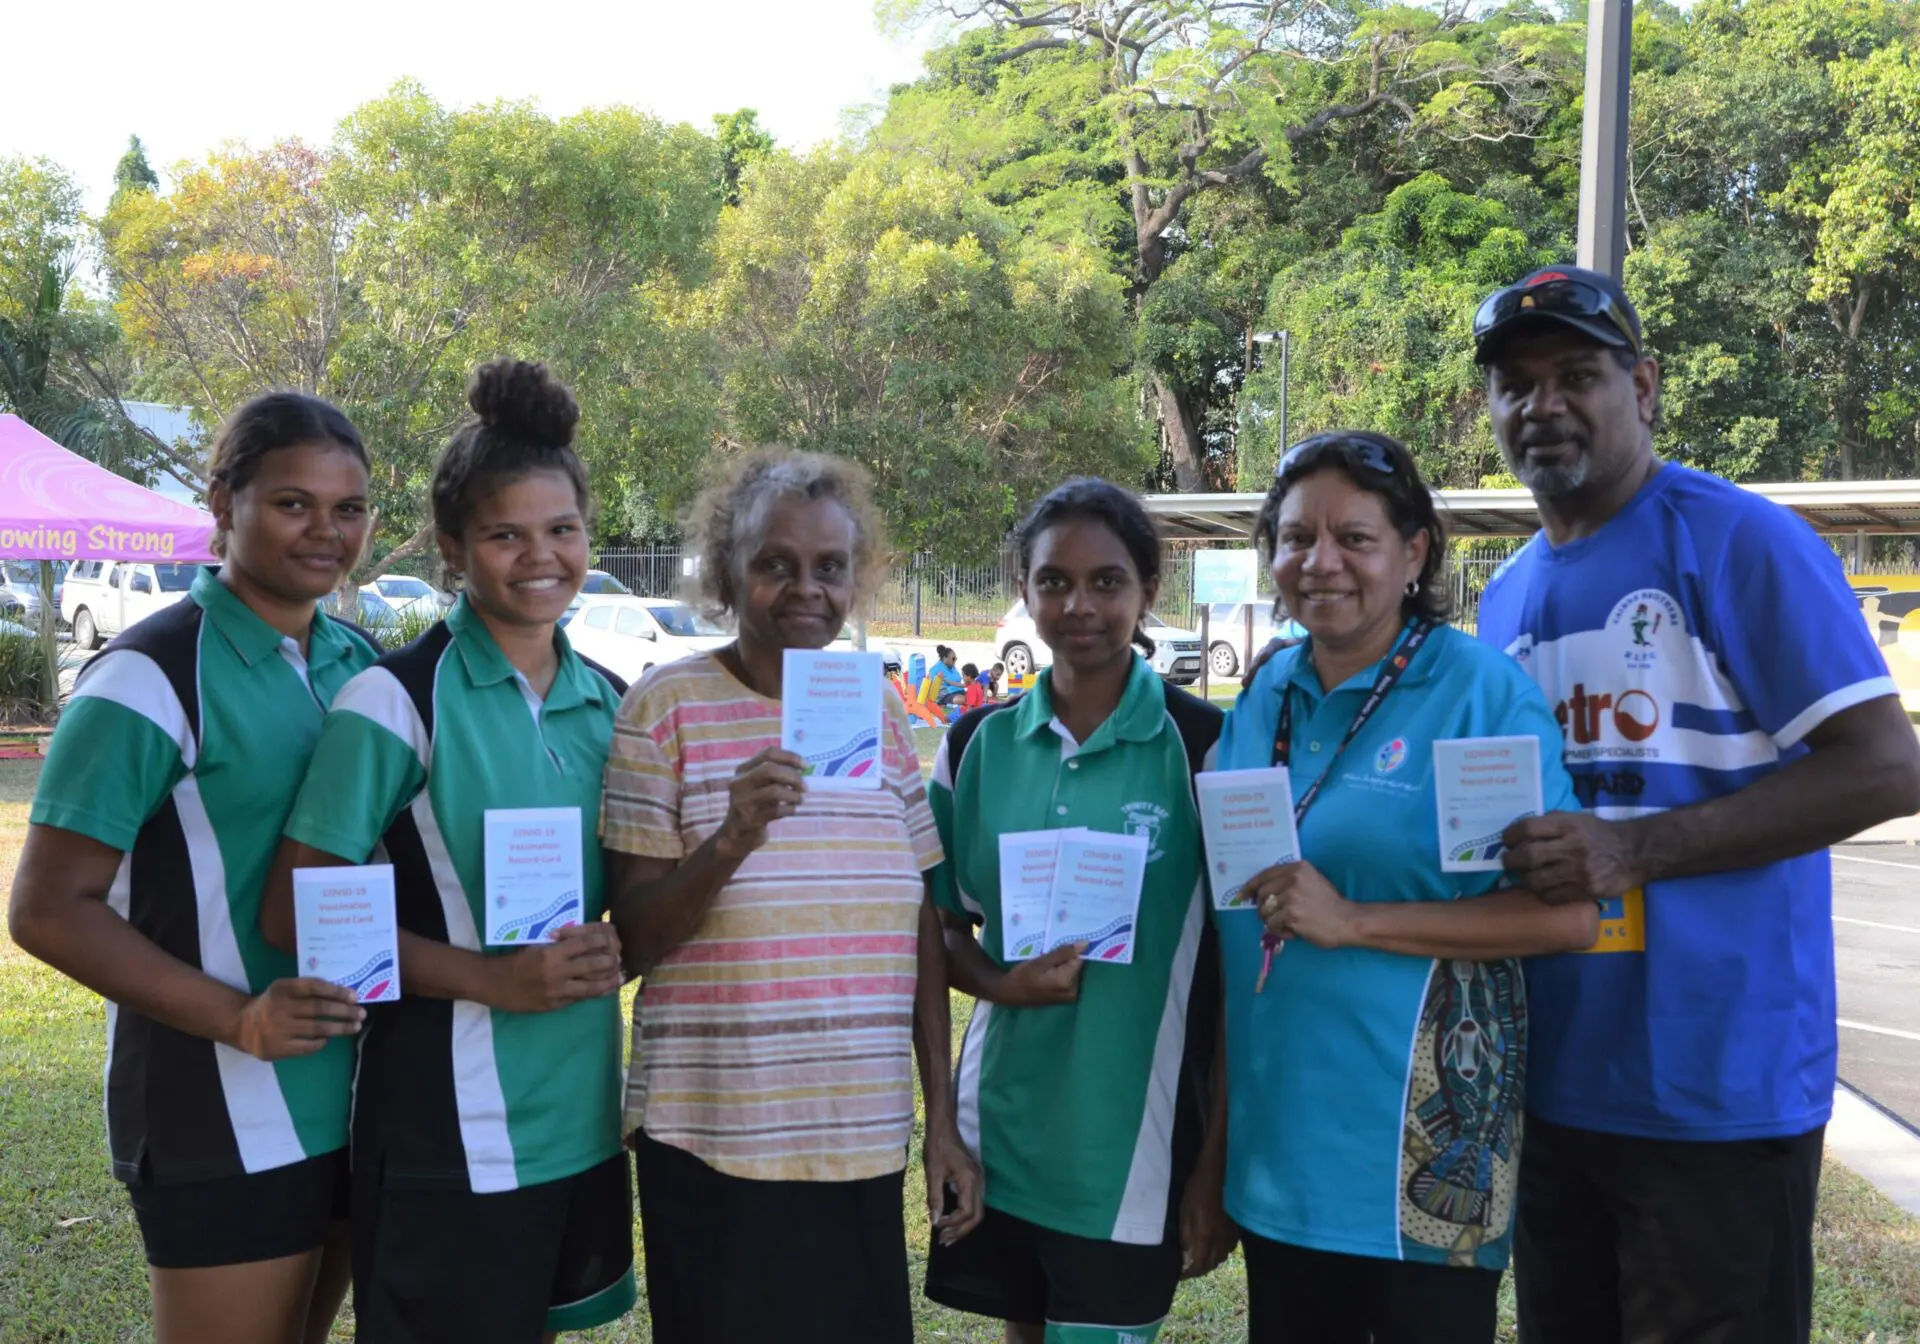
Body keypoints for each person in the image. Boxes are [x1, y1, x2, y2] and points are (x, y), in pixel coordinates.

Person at [1471, 266, 1920, 1344]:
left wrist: (1634, 852)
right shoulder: (1506, 593)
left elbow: (1884, 766)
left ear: (1646, 385)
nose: (1544, 404)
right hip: (1554, 1083)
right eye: (1516, 384)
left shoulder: (1735, 540)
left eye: (1577, 374)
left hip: (1718, 1087)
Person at [260, 361, 636, 1342]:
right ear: (453, 550)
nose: (541, 556)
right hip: (446, 1128)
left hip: (581, 1118)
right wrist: (492, 981)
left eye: (562, 530)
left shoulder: (615, 704)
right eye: (505, 534)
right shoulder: (393, 703)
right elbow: (293, 909)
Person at [8, 393, 382, 1344]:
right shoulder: (149, 675)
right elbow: (49, 909)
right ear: (224, 501)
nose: (326, 532)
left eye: (349, 508)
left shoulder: (360, 664)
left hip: (353, 1088)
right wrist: (240, 1019)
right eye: (294, 503)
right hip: (214, 1102)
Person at [1215, 431, 1600, 1344]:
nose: (1321, 563)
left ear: (1415, 550)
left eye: (1355, 537)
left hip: (1421, 1158)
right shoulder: (1268, 689)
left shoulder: (1475, 693)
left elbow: (1569, 916)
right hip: (1282, 1148)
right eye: (1297, 537)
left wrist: (1353, 920)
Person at [600, 448, 982, 1344]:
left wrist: (940, 1124)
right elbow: (637, 940)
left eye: (830, 567)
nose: (805, 589)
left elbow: (919, 925)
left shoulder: (878, 714)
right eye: (775, 563)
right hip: (713, 1133)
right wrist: (731, 839)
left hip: (856, 1131)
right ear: (729, 574)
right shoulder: (664, 708)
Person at [923, 479, 1232, 1344]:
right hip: (1003, 1136)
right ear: (1024, 590)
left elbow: (1251, 968)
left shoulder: (1209, 747)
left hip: (1131, 1150)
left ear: (1148, 592)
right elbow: (940, 926)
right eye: (1054, 581)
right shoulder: (972, 745)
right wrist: (999, 984)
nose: (1079, 605)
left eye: (1107, 582)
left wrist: (1213, 1165)